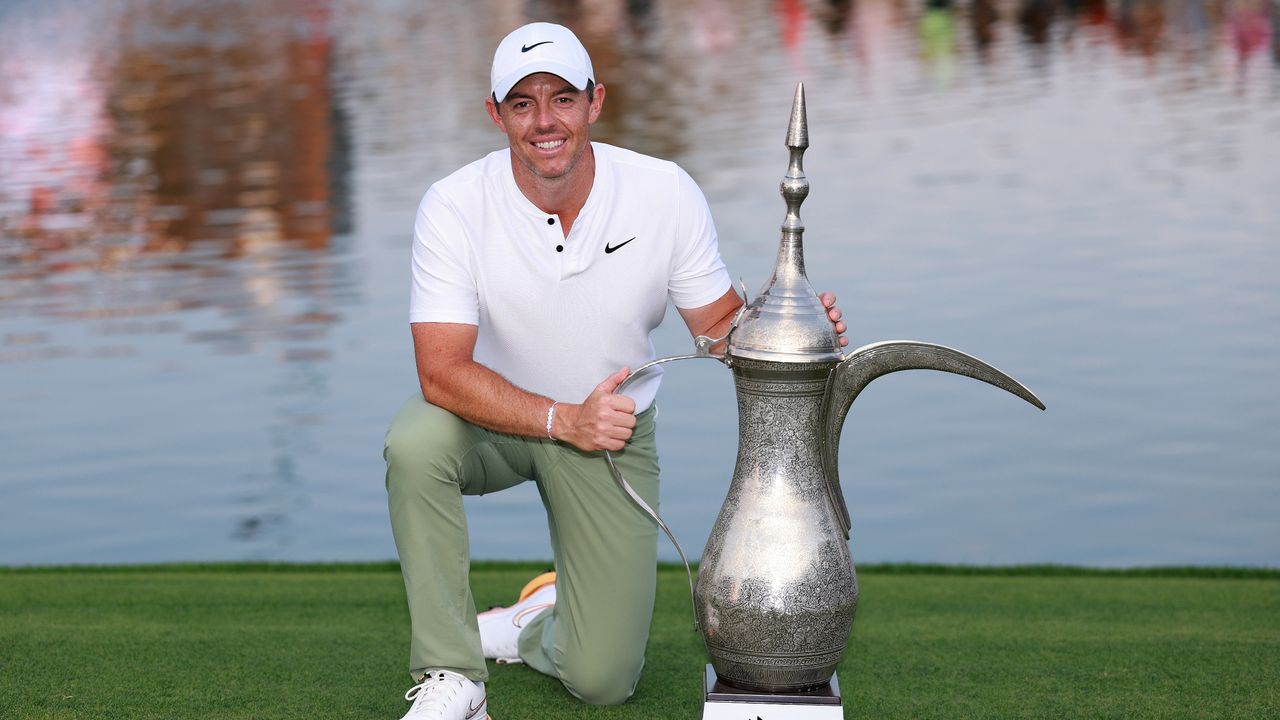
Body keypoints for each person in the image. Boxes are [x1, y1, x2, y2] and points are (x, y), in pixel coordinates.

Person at [383, 21, 847, 720]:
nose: (545, 121)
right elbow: (441, 372)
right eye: (523, 103)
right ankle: (454, 675)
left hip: (610, 431)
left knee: (603, 680)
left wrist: (786, 327)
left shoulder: (664, 192)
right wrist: (558, 419)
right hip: (490, 420)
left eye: (563, 98)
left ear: (595, 101)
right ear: (495, 114)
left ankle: (536, 620)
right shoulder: (452, 205)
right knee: (413, 445)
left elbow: (718, 331)